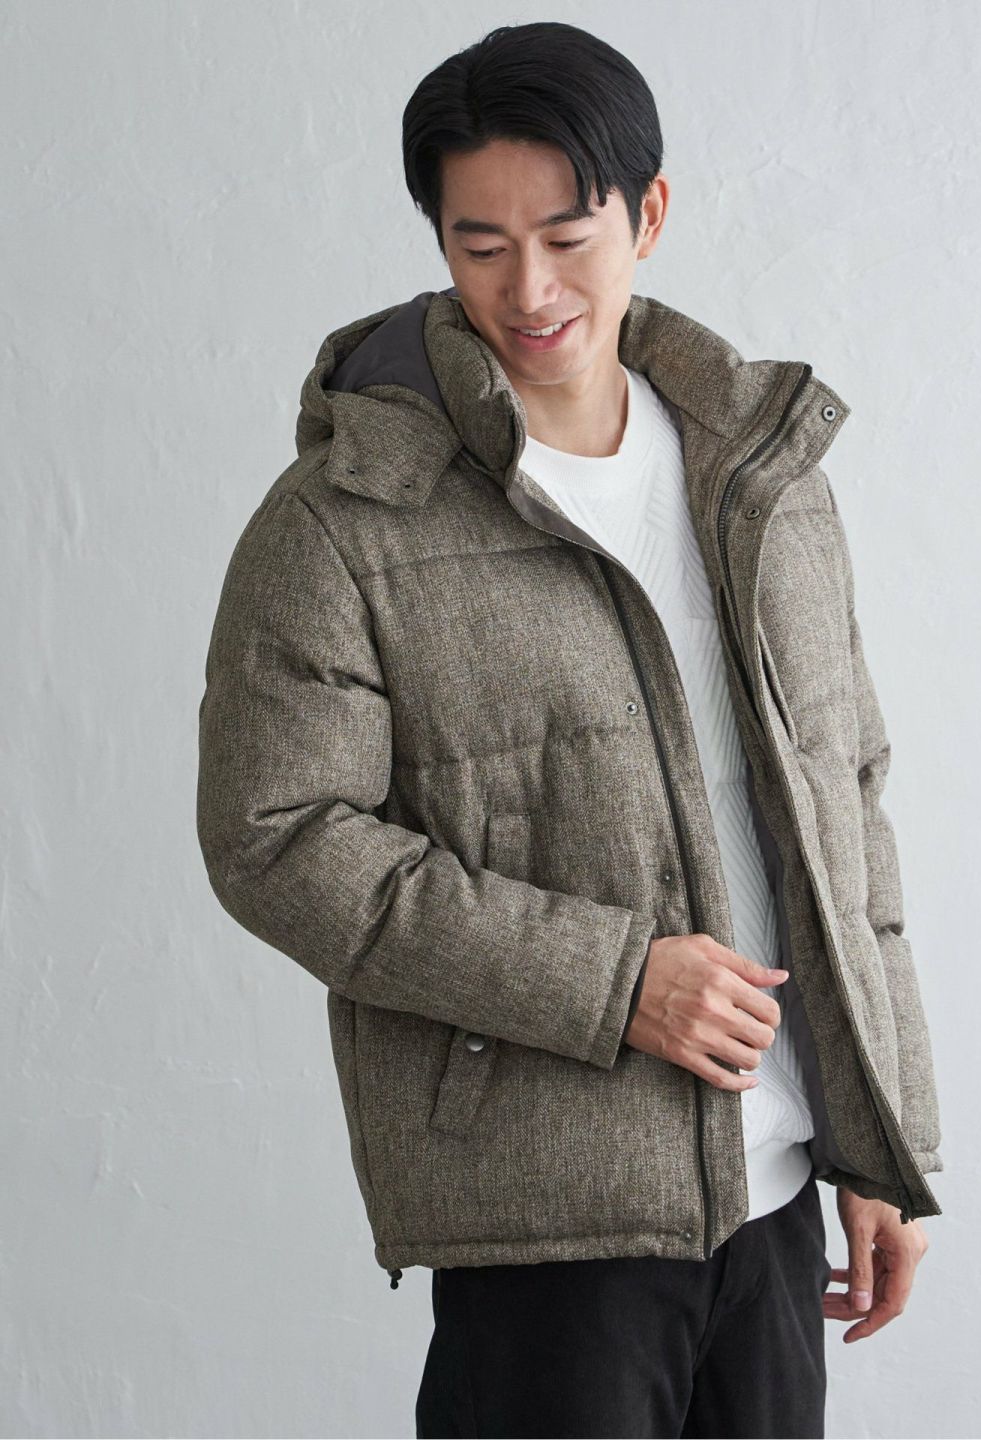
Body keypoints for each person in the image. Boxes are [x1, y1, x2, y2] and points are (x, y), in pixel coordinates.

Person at [196, 20, 943, 1439]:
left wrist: (882, 1134)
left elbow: (848, 803)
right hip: (549, 1228)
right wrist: (616, 983)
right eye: (479, 245)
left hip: (781, 1199)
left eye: (565, 236)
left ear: (648, 213)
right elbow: (275, 840)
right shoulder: (346, 519)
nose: (528, 289)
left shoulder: (760, 477)